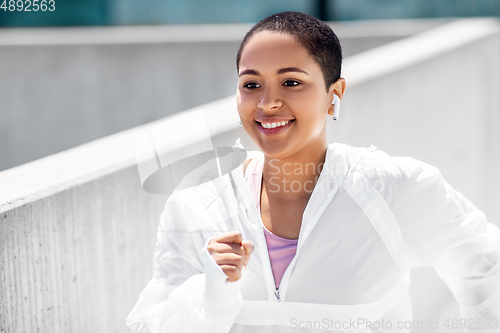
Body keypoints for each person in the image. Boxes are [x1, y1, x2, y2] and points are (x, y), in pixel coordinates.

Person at [127, 11, 500, 333]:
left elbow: (486, 262)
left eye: (291, 82)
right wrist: (210, 293)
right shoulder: (197, 206)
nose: (268, 102)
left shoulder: (392, 188)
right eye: (251, 84)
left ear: (333, 93)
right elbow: (148, 325)